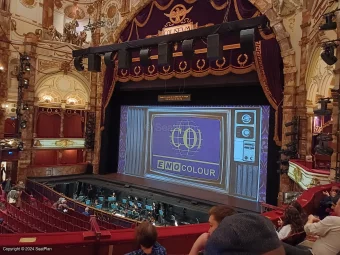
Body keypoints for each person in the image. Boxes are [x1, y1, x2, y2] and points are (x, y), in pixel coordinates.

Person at [204, 213, 286, 254]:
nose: (208, 230)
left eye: (211, 225)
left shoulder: (217, 241)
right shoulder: (272, 240)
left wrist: (195, 248)